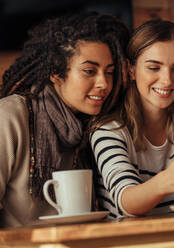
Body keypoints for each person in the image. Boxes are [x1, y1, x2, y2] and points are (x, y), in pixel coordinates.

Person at [0, 12, 130, 228]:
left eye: (109, 72)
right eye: (89, 71)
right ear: (56, 73)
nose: (104, 84)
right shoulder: (10, 117)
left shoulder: (96, 126)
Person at [90, 19, 174, 217]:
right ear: (131, 70)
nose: (167, 80)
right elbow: (125, 202)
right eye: (154, 68)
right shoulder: (109, 128)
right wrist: (167, 181)